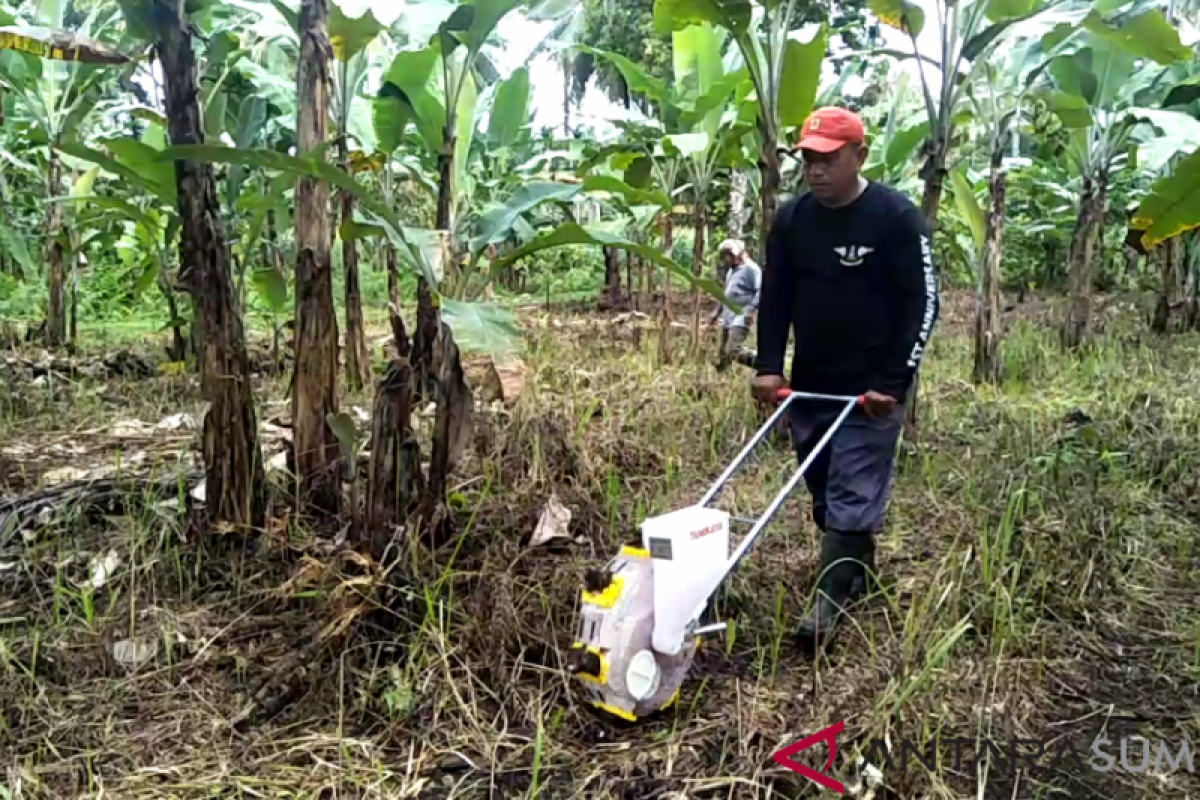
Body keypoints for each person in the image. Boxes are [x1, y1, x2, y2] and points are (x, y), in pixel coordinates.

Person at [752, 106, 940, 649]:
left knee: (852, 491)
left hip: (871, 391)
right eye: (808, 159)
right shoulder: (791, 220)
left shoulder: (896, 219)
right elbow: (776, 297)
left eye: (828, 159)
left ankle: (826, 607)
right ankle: (859, 571)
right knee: (823, 494)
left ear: (859, 155)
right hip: (811, 384)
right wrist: (769, 366)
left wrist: (895, 381)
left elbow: (922, 304)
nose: (815, 170)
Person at [710, 239, 761, 372]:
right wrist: (717, 312)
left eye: (726, 255)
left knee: (732, 349)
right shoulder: (731, 271)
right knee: (723, 353)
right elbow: (727, 294)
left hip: (741, 315)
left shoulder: (751, 269)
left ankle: (762, 363)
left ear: (735, 255)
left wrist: (751, 310)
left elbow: (761, 290)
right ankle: (720, 380)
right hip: (729, 316)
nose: (724, 259)